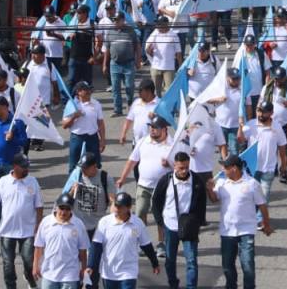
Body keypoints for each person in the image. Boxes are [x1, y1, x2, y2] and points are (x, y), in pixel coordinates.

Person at [207, 154, 273, 289]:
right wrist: (209, 189)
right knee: (227, 265)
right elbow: (214, 199)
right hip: (227, 231)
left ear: (234, 168)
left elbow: (262, 205)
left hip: (246, 230)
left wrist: (266, 224)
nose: (223, 170)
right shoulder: (222, 183)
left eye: (225, 167)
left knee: (247, 264)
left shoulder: (252, 184)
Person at [116, 115, 174, 255]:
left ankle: (161, 243)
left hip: (162, 188)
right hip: (143, 185)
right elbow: (132, 161)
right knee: (140, 213)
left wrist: (170, 164)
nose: (152, 130)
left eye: (155, 128)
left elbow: (181, 167)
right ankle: (142, 243)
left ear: (164, 129)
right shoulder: (143, 141)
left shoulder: (172, 145)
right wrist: (122, 178)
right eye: (151, 127)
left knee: (160, 216)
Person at [0, 154, 44, 289]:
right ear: (15, 167)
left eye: (27, 166)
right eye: (23, 167)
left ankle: (29, 277)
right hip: (7, 231)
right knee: (8, 263)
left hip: (28, 231)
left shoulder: (32, 181)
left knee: (29, 261)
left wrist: (38, 225)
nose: (26, 169)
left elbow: (39, 206)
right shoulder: (3, 182)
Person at [152, 152, 208, 289]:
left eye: (186, 167)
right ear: (174, 166)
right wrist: (161, 222)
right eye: (180, 168)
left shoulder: (196, 180)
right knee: (170, 261)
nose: (184, 171)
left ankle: (191, 286)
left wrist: (198, 222)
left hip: (189, 227)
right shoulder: (166, 180)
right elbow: (156, 202)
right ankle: (173, 284)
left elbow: (202, 203)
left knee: (191, 260)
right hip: (170, 226)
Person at [86, 192, 161, 289]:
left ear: (129, 207)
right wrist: (91, 266)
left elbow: (146, 245)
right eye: (116, 205)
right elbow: (96, 246)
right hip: (109, 272)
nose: (117, 209)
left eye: (120, 206)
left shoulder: (137, 223)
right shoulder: (104, 222)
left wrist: (155, 263)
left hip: (129, 272)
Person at [32, 193, 90, 289]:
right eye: (61, 208)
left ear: (71, 209)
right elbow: (38, 246)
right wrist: (35, 266)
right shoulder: (46, 222)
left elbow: (83, 250)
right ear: (56, 207)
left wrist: (83, 269)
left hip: (70, 275)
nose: (63, 212)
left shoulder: (78, 224)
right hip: (49, 273)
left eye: (67, 209)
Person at [237, 102, 286, 207]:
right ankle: (254, 218)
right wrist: (240, 127)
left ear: (271, 113)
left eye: (264, 112)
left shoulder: (277, 127)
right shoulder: (251, 124)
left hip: (269, 168)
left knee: (263, 198)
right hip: (252, 167)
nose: (260, 114)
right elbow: (240, 139)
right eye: (259, 111)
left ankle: (260, 221)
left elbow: (282, 148)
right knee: (252, 197)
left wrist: (283, 165)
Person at [0, 96, 29, 191]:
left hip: (11, 164)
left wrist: (13, 138)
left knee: (11, 192)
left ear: (5, 107)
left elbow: (24, 142)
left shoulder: (17, 122)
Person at [103, 12, 142, 117]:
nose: (115, 21)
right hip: (114, 64)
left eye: (117, 20)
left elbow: (138, 46)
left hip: (129, 63)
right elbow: (107, 49)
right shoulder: (110, 32)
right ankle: (117, 109)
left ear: (123, 20)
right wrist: (104, 64)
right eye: (114, 19)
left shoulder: (130, 31)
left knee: (129, 86)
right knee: (115, 88)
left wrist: (138, 60)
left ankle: (130, 104)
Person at [62, 81, 106, 170]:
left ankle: (95, 183)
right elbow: (64, 125)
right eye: (86, 90)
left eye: (90, 89)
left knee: (95, 165)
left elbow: (100, 123)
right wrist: (74, 116)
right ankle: (75, 183)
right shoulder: (71, 105)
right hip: (77, 139)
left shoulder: (96, 104)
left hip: (92, 138)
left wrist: (102, 140)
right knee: (74, 166)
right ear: (79, 92)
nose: (89, 92)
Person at [68, 152, 111, 239]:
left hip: (97, 227)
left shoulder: (105, 177)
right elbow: (65, 200)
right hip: (78, 225)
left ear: (94, 166)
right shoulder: (76, 175)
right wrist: (72, 190)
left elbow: (112, 201)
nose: (83, 170)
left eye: (86, 168)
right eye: (82, 167)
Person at [146, 16, 182, 97]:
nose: (157, 26)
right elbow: (148, 51)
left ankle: (170, 109)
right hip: (156, 67)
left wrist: (180, 67)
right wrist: (149, 50)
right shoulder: (155, 34)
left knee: (169, 92)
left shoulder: (173, 36)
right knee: (156, 92)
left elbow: (178, 53)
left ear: (166, 24)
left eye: (159, 24)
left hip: (169, 68)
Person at [66, 5, 96, 91]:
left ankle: (86, 101)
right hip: (74, 57)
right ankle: (68, 101)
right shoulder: (73, 23)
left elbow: (99, 41)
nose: (77, 15)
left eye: (79, 13)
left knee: (87, 83)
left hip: (87, 59)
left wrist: (94, 57)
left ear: (85, 14)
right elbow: (65, 35)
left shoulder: (92, 24)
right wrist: (69, 35)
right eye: (77, 13)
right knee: (71, 80)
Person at [120, 79, 159, 146]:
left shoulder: (159, 104)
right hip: (136, 143)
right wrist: (123, 134)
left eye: (141, 91)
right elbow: (129, 120)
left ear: (149, 91)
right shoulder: (136, 102)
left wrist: (156, 118)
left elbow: (167, 123)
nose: (139, 93)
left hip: (153, 144)